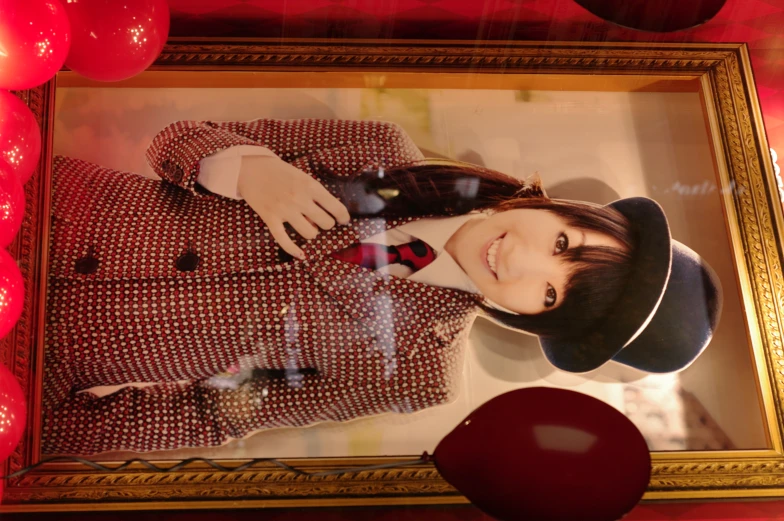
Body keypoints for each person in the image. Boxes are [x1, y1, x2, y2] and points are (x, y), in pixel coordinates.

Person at [42, 118, 722, 455]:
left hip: (37, 362)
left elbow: (216, 413)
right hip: (40, 209)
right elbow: (174, 140)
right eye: (563, 244)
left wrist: (49, 426)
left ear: (535, 320)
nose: (518, 264)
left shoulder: (421, 370)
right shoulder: (380, 153)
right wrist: (246, 169)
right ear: (562, 208)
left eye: (549, 295)